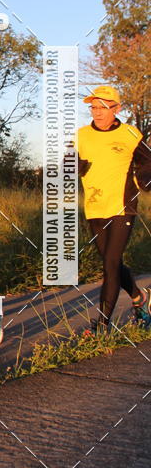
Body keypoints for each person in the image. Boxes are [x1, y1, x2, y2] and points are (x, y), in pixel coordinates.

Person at [78, 85, 151, 333]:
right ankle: (139, 297)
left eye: (103, 107)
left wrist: (145, 179)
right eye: (93, 107)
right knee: (113, 264)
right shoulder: (82, 135)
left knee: (109, 263)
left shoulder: (130, 135)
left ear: (116, 108)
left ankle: (102, 325)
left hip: (122, 207)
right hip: (94, 208)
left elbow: (148, 161)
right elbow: (70, 163)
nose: (97, 112)